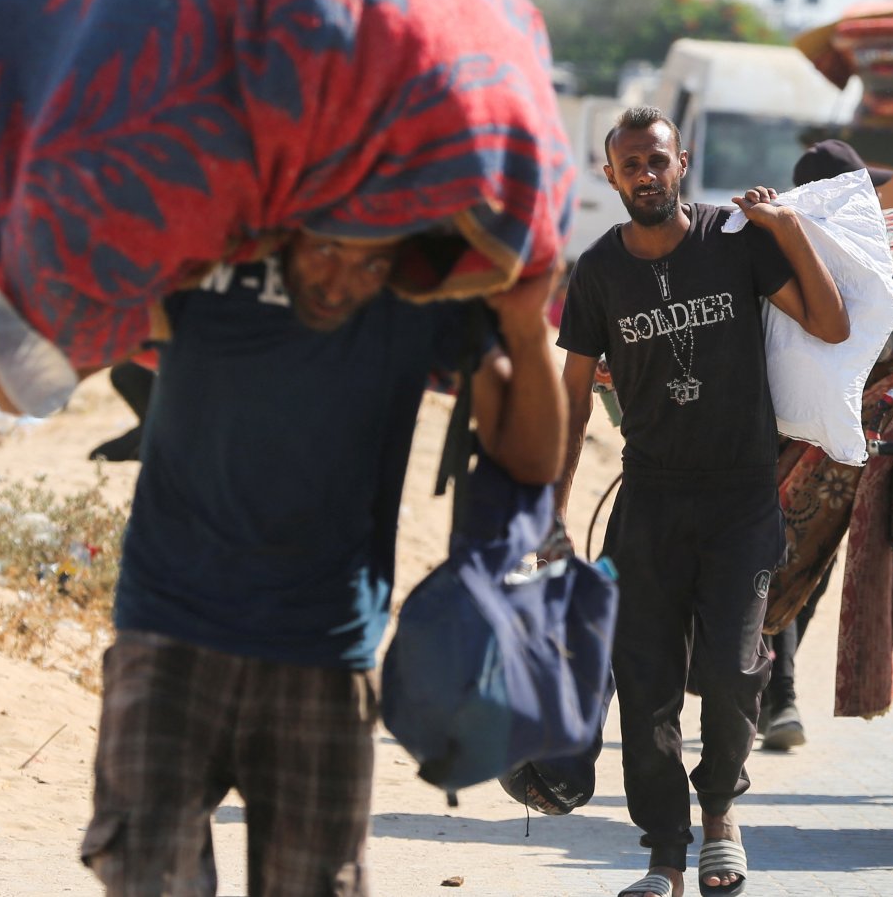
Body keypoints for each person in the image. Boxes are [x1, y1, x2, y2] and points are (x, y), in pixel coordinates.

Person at [77, 231, 566, 896]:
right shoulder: (211, 244)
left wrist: (527, 328)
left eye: (372, 263)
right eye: (327, 251)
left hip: (323, 648)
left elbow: (531, 460)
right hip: (169, 629)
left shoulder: (422, 289)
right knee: (144, 879)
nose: (339, 281)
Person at [557, 106, 848, 897]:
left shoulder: (734, 241)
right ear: (609, 174)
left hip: (740, 498)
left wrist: (783, 228)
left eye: (658, 160)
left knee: (730, 668)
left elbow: (830, 321)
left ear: (681, 162)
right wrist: (548, 511)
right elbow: (574, 397)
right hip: (647, 500)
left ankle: (721, 810)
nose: (646, 175)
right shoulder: (596, 272)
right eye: (630, 165)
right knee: (643, 681)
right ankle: (663, 856)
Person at [759, 138, 893, 753]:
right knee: (787, 555)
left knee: (794, 556)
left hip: (803, 429)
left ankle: (773, 691)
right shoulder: (807, 245)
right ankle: (776, 692)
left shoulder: (790, 240)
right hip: (791, 434)